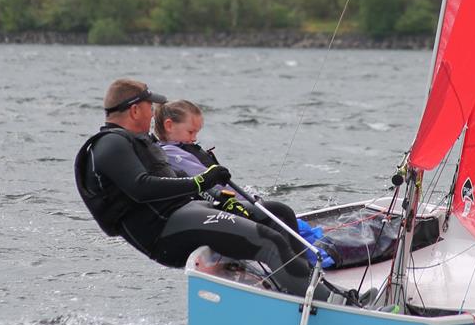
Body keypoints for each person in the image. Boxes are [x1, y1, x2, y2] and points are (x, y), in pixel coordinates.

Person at [74, 77, 336, 302]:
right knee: (269, 241)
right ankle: (331, 305)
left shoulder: (136, 141)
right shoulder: (109, 144)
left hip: (186, 211)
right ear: (133, 111)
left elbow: (171, 177)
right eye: (148, 106)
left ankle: (308, 288)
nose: (153, 112)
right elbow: (141, 188)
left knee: (274, 213)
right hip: (164, 231)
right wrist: (201, 181)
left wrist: (217, 197)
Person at [153, 98, 301, 235]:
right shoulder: (172, 154)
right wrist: (247, 202)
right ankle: (303, 259)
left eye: (196, 132)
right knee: (281, 211)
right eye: (191, 132)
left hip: (214, 208)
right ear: (169, 125)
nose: (194, 138)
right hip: (211, 213)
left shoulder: (181, 149)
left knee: (275, 210)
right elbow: (210, 185)